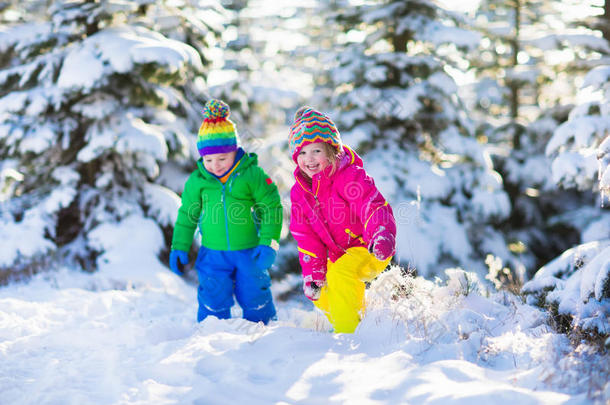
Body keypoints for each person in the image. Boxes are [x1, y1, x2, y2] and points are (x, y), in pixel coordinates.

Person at [169, 99, 282, 324]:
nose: (216, 165)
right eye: (209, 159)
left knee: (256, 296)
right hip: (212, 255)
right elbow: (187, 216)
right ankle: (212, 336)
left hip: (249, 252)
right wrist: (179, 245)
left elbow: (271, 209)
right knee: (212, 298)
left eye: (222, 158)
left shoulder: (252, 175)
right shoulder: (198, 181)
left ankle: (264, 336)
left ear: (235, 150)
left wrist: (269, 243)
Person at [288, 107, 396, 333]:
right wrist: (313, 272)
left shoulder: (349, 176)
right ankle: (358, 321)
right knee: (320, 291)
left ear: (330, 151)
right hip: (338, 255)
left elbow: (372, 205)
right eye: (302, 153)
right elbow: (305, 236)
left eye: (316, 150)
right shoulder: (300, 193)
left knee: (340, 274)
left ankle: (349, 336)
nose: (309, 159)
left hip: (368, 246)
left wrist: (381, 233)